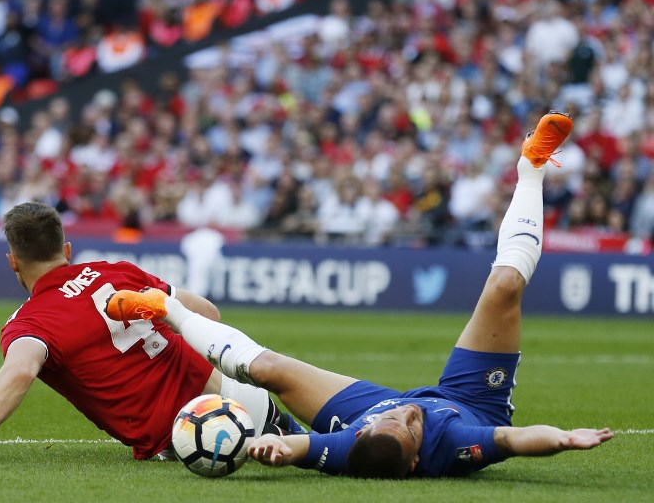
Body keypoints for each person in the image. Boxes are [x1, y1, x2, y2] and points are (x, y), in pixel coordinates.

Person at [102, 111, 614, 479]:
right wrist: (565, 439)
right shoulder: (454, 442)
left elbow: (302, 447)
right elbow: (516, 441)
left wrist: (274, 448)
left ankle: (163, 308)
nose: (406, 412)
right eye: (408, 424)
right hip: (471, 400)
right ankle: (532, 168)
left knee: (267, 372)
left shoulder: (354, 442)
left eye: (391, 420)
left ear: (362, 434)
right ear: (418, 459)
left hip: (362, 408)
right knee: (504, 286)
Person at [0, 202, 299, 464]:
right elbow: (207, 313)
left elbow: (20, 372)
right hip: (242, 397)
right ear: (67, 249)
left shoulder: (28, 324)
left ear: (12, 263)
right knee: (322, 452)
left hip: (193, 436)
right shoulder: (116, 270)